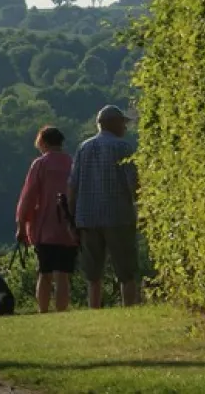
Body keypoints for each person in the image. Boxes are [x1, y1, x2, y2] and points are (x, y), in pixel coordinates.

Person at [68, 105, 142, 308]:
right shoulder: (123, 147)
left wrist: (72, 216)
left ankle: (94, 307)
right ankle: (129, 306)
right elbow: (133, 183)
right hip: (118, 216)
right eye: (123, 123)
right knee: (126, 269)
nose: (125, 128)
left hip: (88, 217)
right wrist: (141, 207)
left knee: (93, 273)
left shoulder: (83, 148)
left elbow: (73, 185)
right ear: (114, 123)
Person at [15, 125, 78, 313]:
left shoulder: (40, 164)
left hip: (45, 226)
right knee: (63, 274)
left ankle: (43, 311)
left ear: (43, 142)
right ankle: (61, 312)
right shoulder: (72, 163)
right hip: (68, 226)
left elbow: (29, 196)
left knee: (45, 272)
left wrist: (21, 224)